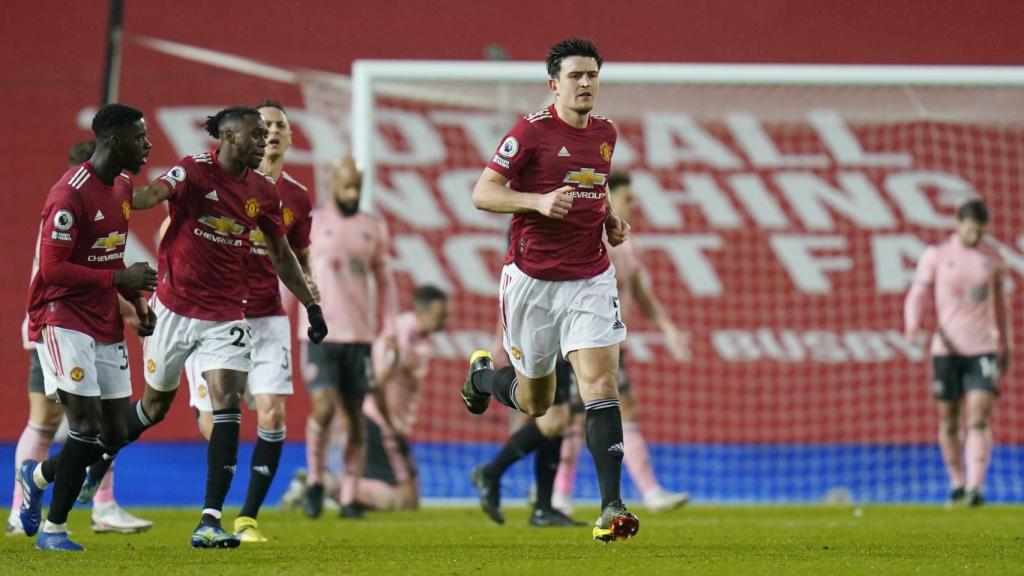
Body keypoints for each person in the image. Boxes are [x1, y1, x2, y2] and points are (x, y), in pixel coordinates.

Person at [82, 105, 326, 549]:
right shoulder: (193, 170)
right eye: (254, 134)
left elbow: (282, 255)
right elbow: (151, 196)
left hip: (226, 315)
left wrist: (310, 304)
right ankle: (102, 452)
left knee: (227, 405)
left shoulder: (265, 193)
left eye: (268, 133)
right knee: (153, 408)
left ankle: (210, 520)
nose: (262, 141)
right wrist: (112, 182)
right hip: (173, 310)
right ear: (229, 138)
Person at [460, 37, 639, 542]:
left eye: (592, 75)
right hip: (533, 283)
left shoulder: (606, 133)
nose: (585, 84)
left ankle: (611, 508)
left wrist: (609, 220)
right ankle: (479, 380)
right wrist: (537, 203)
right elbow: (483, 192)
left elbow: (591, 186)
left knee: (599, 387)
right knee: (536, 401)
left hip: (589, 276)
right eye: (575, 76)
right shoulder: (530, 132)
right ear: (554, 84)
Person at [17, 104, 158, 551]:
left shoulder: (121, 186)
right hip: (62, 317)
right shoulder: (68, 195)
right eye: (140, 137)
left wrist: (137, 303)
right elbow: (54, 270)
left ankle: (37, 476)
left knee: (115, 434)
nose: (147, 144)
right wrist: (121, 281)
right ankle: (54, 530)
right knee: (84, 426)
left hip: (104, 318)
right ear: (115, 141)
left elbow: (112, 254)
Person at [182, 99, 316, 542]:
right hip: (216, 313)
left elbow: (297, 252)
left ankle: (248, 517)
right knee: (217, 420)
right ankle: (220, 489)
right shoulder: (219, 182)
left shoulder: (296, 196)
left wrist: (310, 283)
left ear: (291, 136)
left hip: (266, 316)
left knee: (274, 414)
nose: (272, 132)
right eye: (265, 125)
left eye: (279, 125)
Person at [552, 173, 690, 514]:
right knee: (569, 418)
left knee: (623, 410)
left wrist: (667, 327)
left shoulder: (627, 242)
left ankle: (650, 491)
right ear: (608, 198)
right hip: (575, 339)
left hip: (611, 339)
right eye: (627, 197)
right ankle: (559, 494)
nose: (633, 203)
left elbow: (639, 293)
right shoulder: (586, 235)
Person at [298, 156, 397, 519]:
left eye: (357, 186)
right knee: (324, 407)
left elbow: (386, 281)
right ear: (333, 185)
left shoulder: (372, 227)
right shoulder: (313, 223)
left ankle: (351, 494)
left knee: (355, 418)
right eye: (346, 186)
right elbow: (292, 269)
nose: (352, 193)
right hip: (319, 335)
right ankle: (314, 481)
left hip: (359, 337)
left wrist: (388, 329)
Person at [904, 199, 1010, 507]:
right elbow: (918, 292)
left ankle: (976, 488)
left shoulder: (992, 259)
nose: (974, 235)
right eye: (970, 228)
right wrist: (912, 323)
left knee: (978, 416)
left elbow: (1001, 307)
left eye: (980, 230)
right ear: (957, 223)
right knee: (949, 419)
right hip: (947, 349)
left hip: (982, 349)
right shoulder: (937, 256)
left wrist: (1007, 344)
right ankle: (957, 483)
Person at [357, 285, 449, 511]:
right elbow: (376, 384)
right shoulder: (400, 337)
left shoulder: (418, 336)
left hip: (392, 425)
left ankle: (348, 491)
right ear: (422, 310)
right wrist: (389, 423)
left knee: (412, 500)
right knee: (404, 502)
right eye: (440, 315)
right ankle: (332, 486)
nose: (444, 321)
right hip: (380, 423)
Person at [469, 356, 585, 527]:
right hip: (544, 347)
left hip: (557, 350)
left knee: (558, 420)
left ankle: (543, 508)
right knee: (553, 417)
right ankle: (491, 474)